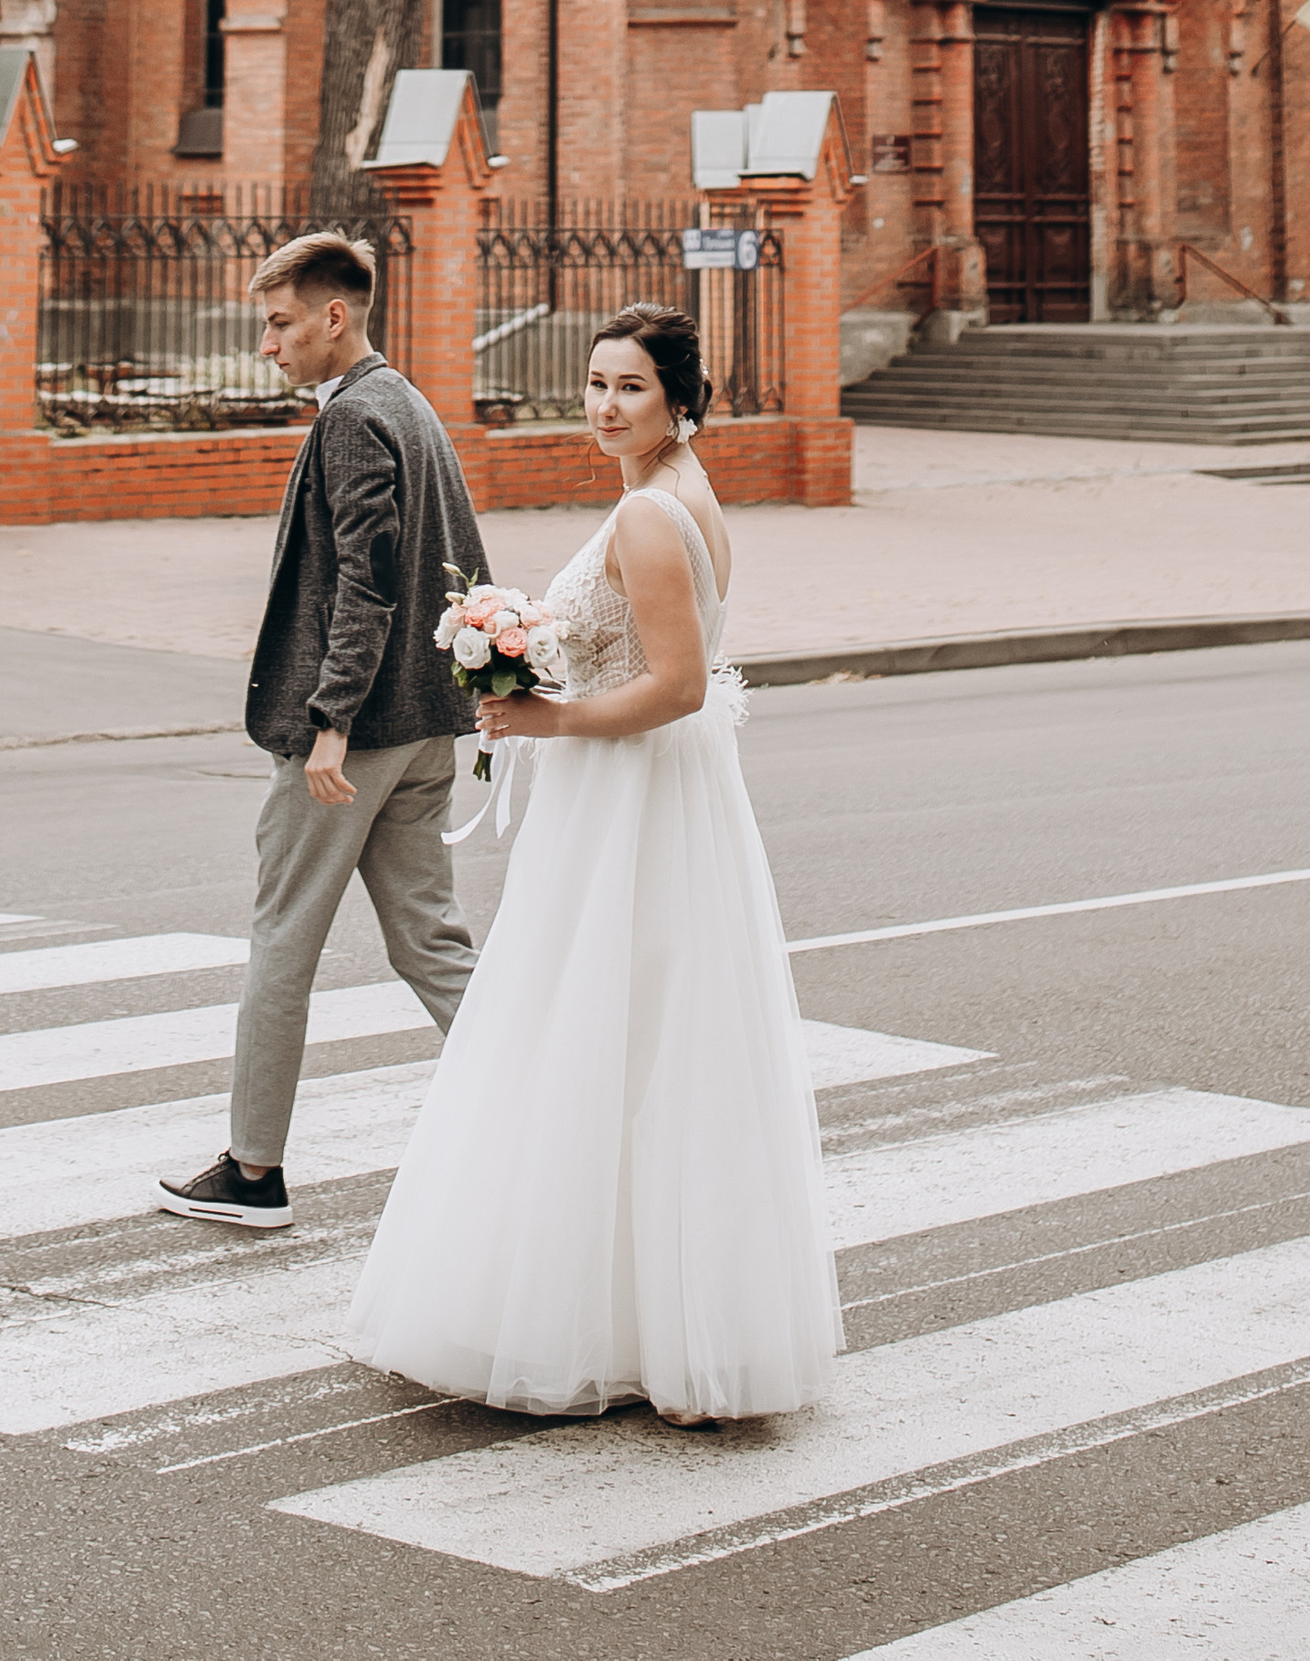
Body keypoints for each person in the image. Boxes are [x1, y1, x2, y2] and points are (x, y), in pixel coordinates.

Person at [343, 298, 839, 1427]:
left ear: (677, 398)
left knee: (590, 1029)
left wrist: (539, 715)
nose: (604, 404)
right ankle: (652, 1317)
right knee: (645, 1038)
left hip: (625, 796)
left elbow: (675, 683)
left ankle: (587, 1318)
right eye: (595, 382)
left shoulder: (653, 518)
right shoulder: (679, 498)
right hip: (654, 796)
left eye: (629, 387)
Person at [155, 228, 489, 1231]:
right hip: (428, 721)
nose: (269, 343)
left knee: (281, 943)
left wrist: (331, 720)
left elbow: (368, 578)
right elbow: (452, 565)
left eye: (279, 321)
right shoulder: (410, 402)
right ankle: (548, 1105)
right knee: (431, 942)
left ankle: (253, 1170)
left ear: (332, 317)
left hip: (359, 733)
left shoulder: (353, 419)